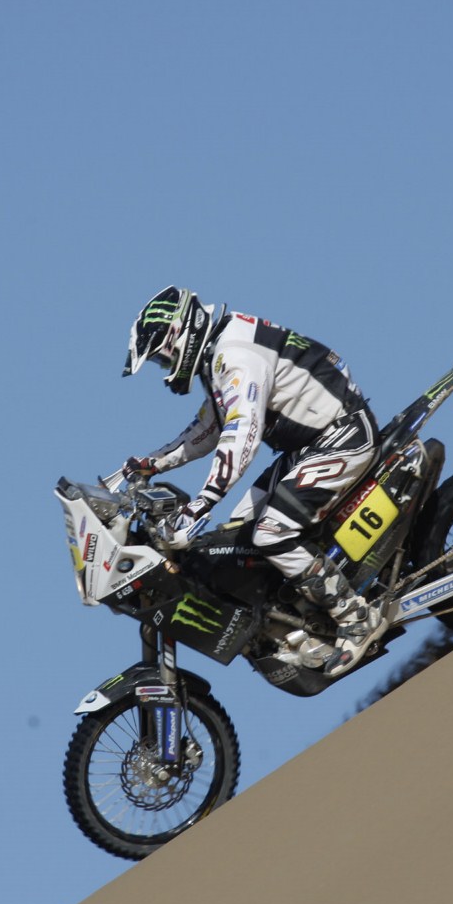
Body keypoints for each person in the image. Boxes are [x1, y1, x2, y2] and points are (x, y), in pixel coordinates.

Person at [118, 285, 386, 677]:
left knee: (272, 533)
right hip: (311, 444)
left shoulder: (235, 355)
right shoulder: (220, 351)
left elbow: (242, 432)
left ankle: (356, 617)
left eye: (163, 356)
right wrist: (152, 463)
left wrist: (202, 503)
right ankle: (291, 622)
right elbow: (210, 428)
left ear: (181, 335)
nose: (165, 366)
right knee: (236, 534)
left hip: (341, 435)